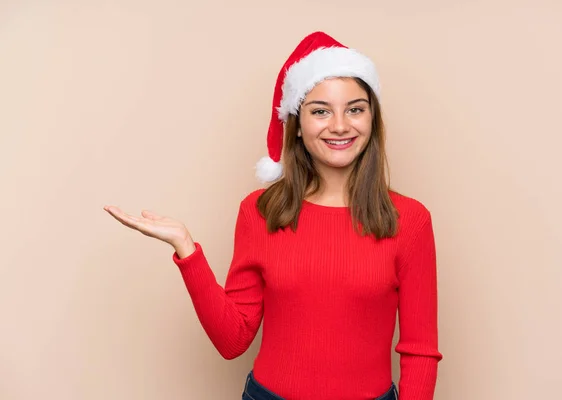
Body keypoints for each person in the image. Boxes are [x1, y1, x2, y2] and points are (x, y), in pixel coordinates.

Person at [104, 31, 443, 400]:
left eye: (355, 109)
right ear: (297, 127)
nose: (341, 125)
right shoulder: (260, 212)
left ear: (372, 119)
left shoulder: (409, 220)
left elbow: (420, 351)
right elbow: (233, 339)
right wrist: (187, 250)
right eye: (320, 111)